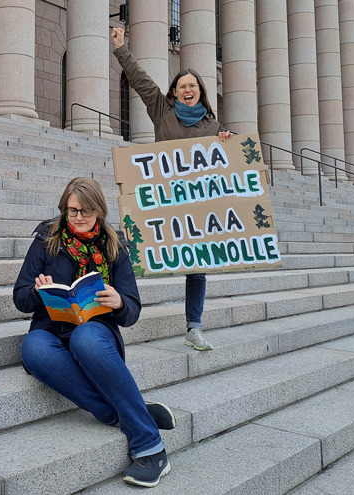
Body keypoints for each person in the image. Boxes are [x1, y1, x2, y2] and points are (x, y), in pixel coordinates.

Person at [14, 177, 174, 488]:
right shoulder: (46, 239)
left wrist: (119, 302)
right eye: (72, 211)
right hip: (50, 327)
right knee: (33, 347)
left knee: (84, 337)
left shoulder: (114, 246)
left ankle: (150, 448)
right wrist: (37, 291)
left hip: (96, 333)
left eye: (86, 211)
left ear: (99, 211)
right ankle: (124, 410)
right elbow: (20, 298)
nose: (78, 218)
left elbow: (132, 310)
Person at [111, 26, 235, 352]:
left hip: (193, 207)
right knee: (128, 250)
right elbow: (140, 80)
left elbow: (227, 164)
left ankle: (194, 327)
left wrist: (227, 141)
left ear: (200, 91)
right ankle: (112, 312)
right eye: (182, 86)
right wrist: (121, 47)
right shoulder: (162, 111)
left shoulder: (213, 126)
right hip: (159, 201)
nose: (188, 89)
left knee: (197, 268)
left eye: (193, 85)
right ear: (175, 93)